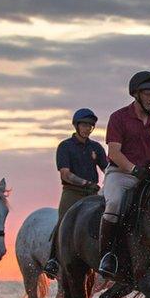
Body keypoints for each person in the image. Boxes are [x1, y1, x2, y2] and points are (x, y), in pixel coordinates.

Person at [97, 70, 150, 279]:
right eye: (149, 94)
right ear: (136, 94)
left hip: (149, 177)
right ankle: (108, 255)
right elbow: (113, 152)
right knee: (113, 205)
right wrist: (134, 169)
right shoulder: (119, 118)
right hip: (120, 174)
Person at [42, 108, 108, 277]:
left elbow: (107, 168)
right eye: (84, 125)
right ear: (77, 126)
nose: (87, 129)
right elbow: (65, 173)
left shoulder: (96, 147)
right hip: (72, 192)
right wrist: (85, 182)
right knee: (63, 220)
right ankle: (53, 259)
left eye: (90, 126)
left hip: (92, 193)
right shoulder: (65, 146)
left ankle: (107, 255)